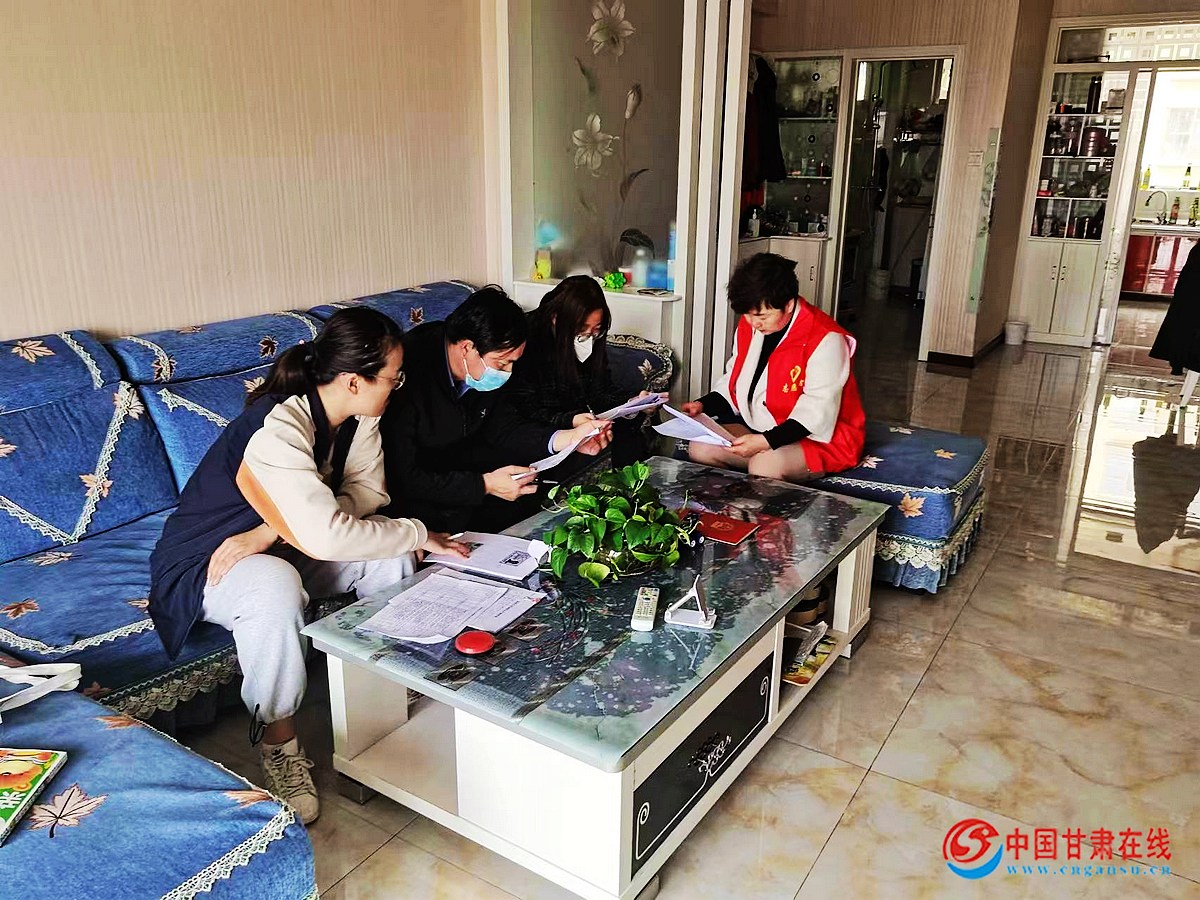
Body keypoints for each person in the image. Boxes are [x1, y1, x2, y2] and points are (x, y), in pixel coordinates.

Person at [149, 308, 467, 825]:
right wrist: (414, 531)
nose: (398, 386)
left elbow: (369, 494)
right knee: (276, 585)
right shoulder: (279, 425)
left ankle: (386, 690)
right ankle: (278, 742)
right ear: (353, 381)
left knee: (388, 556)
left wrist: (274, 530)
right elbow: (326, 533)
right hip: (208, 557)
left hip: (281, 544)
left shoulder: (358, 419)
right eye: (394, 377)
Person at [380, 286, 610, 533]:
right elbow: (403, 475)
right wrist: (484, 485)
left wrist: (568, 439)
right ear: (467, 348)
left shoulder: (479, 367)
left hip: (467, 467)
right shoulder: (407, 374)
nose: (508, 372)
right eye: (502, 363)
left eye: (512, 363)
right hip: (421, 490)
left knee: (534, 485)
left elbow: (505, 425)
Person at [681, 252, 865, 480]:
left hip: (819, 439)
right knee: (700, 447)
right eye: (748, 315)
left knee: (764, 465)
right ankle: (729, 502)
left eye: (762, 316)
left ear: (788, 305)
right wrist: (702, 405)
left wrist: (765, 441)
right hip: (764, 427)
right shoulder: (751, 324)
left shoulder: (826, 339)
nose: (754, 323)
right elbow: (734, 381)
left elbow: (816, 412)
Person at [506, 275, 663, 468]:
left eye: (596, 329)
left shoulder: (593, 339)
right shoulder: (526, 342)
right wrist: (571, 420)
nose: (589, 336)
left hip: (577, 419)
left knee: (624, 432)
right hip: (538, 429)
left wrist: (632, 402)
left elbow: (601, 389)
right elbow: (524, 410)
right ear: (555, 318)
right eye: (582, 328)